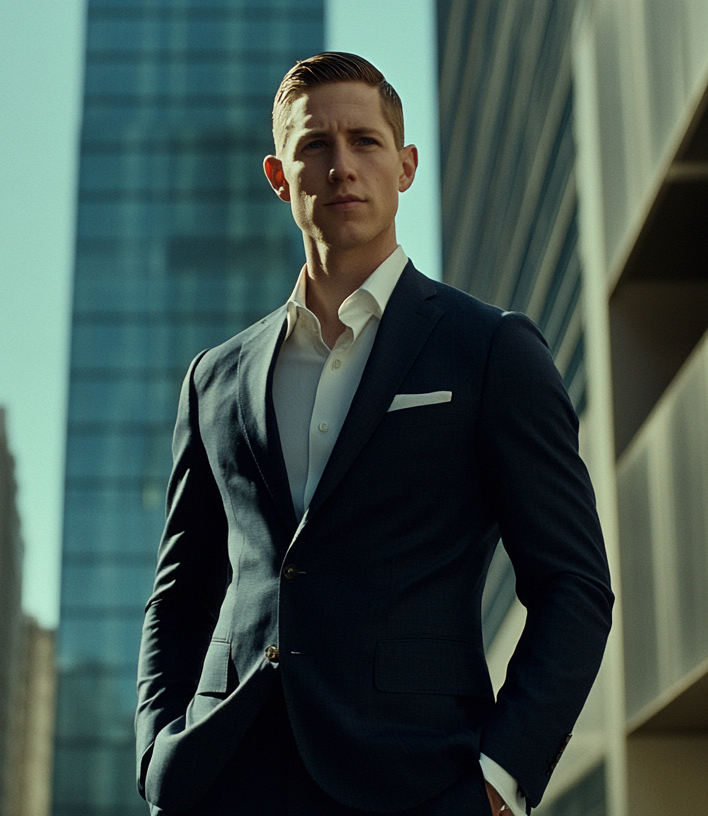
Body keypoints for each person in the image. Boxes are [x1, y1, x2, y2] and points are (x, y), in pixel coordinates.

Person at [135, 52, 613, 816]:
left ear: (406, 166)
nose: (341, 167)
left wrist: (500, 779)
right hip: (226, 777)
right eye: (314, 146)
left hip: (418, 779)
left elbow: (574, 585)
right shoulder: (214, 378)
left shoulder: (491, 350)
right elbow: (181, 595)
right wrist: (159, 751)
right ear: (278, 175)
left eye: (364, 142)